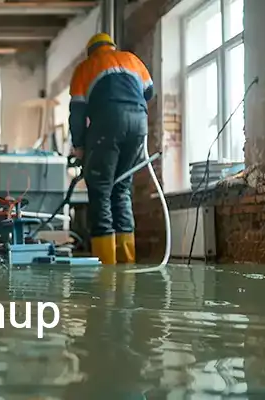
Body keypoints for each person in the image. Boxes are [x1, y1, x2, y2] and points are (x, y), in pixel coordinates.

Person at [68, 32, 154, 265]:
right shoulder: (132, 59)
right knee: (122, 189)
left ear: (91, 51)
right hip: (139, 124)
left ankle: (106, 265)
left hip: (107, 124)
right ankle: (127, 261)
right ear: (111, 46)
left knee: (101, 191)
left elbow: (77, 112)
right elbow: (149, 92)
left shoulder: (85, 68)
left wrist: (79, 145)